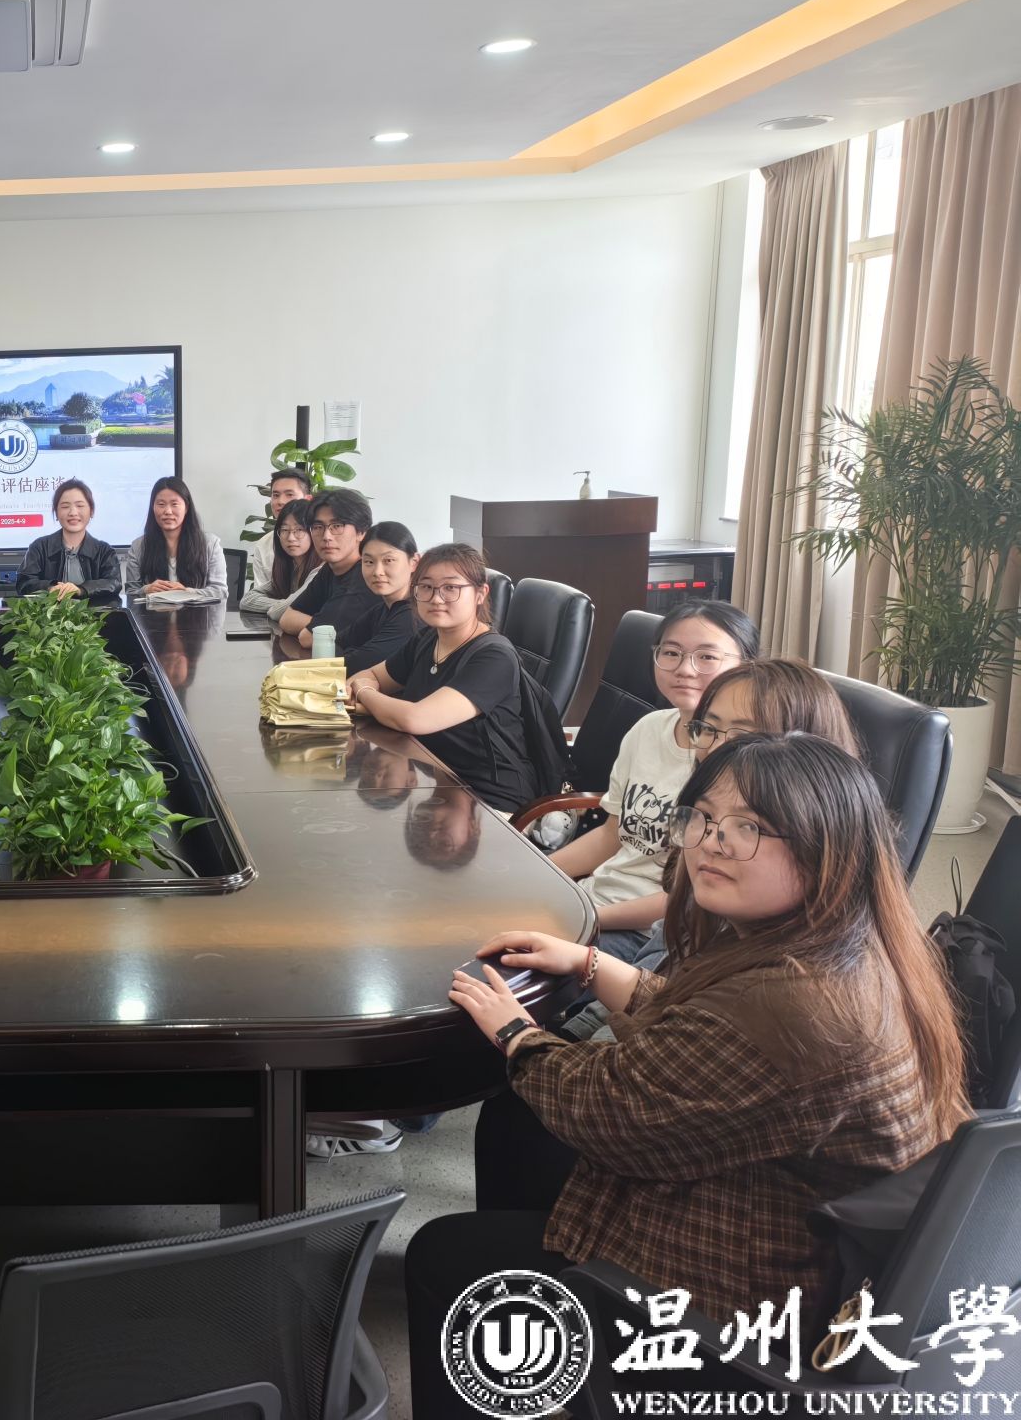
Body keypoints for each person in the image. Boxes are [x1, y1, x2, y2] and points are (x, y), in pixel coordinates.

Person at [407, 734, 968, 1417]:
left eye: (749, 827)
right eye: (703, 817)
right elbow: (701, 1038)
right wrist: (591, 965)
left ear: (828, 848)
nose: (711, 843)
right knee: (521, 1130)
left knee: (444, 1255)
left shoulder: (793, 1003)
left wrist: (515, 1033)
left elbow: (609, 1113)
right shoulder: (852, 944)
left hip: (742, 1304)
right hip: (800, 1238)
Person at [588, 657, 859, 966]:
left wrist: (591, 950)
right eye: (710, 728)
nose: (718, 749)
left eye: (744, 736)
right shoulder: (707, 816)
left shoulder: (794, 953)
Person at [544, 601, 760, 945]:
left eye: (707, 657)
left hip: (650, 935)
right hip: (593, 898)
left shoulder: (741, 761)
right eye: (671, 653)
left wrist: (590, 918)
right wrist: (539, 874)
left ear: (746, 667)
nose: (685, 669)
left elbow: (691, 896)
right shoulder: (648, 728)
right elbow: (610, 836)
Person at [345, 543, 541, 814]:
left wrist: (365, 693)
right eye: (426, 587)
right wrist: (367, 688)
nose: (436, 598)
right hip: (439, 778)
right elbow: (369, 675)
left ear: (480, 594)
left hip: (489, 798)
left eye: (451, 588)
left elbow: (415, 719)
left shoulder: (495, 657)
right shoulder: (428, 638)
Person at [299, 519, 418, 670]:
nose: (377, 572)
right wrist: (353, 655)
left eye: (388, 560)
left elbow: (357, 664)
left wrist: (352, 655)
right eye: (369, 562)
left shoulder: (412, 616)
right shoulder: (382, 609)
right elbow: (335, 644)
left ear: (414, 562)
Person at [275, 488, 375, 640]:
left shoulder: (366, 577)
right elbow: (286, 619)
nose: (326, 536)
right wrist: (322, 626)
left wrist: (316, 628)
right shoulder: (330, 569)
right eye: (318, 527)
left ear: (361, 532)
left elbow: (308, 638)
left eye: (337, 526)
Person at [123, 476, 226, 602]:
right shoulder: (138, 547)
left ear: (186, 507)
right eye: (161, 504)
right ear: (153, 508)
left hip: (197, 614)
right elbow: (130, 592)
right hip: (153, 614)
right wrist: (146, 590)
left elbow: (220, 591)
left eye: (174, 504)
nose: (168, 511)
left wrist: (187, 592)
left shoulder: (210, 544)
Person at [16, 478, 122, 600]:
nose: (73, 512)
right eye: (65, 506)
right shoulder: (39, 547)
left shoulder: (104, 551)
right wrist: (50, 588)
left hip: (94, 612)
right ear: (56, 512)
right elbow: (24, 583)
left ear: (91, 511)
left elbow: (114, 583)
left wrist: (81, 590)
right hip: (47, 612)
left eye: (80, 505)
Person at [238, 497, 320, 619]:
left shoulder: (320, 571)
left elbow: (278, 612)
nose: (291, 537)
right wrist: (285, 605)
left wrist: (284, 607)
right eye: (284, 530)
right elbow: (247, 601)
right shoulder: (292, 569)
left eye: (299, 530)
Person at [243, 467, 312, 608]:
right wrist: (286, 607)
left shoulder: (323, 543)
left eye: (289, 494)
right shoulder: (264, 544)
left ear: (308, 500)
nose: (280, 501)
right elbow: (253, 599)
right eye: (275, 495)